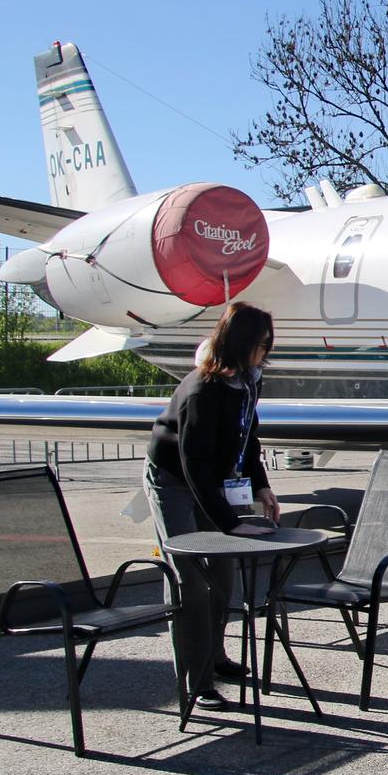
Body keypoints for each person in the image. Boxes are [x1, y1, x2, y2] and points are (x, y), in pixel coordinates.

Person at [144, 302, 283, 710]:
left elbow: (247, 435)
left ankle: (215, 656)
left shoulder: (248, 380)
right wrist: (230, 524)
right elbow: (194, 465)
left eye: (268, 344)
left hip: (215, 479)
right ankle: (196, 682)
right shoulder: (201, 391)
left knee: (223, 573)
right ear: (239, 343)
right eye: (260, 344)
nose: (265, 352)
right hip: (174, 480)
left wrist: (261, 486)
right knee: (190, 580)